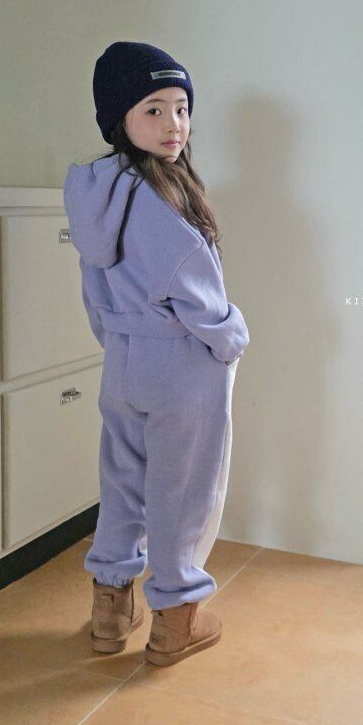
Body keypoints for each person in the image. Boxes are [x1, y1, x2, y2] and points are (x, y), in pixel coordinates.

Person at [63, 41, 249, 667]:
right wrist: (231, 337)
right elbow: (198, 296)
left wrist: (121, 340)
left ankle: (110, 611)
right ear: (120, 117)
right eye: (154, 109)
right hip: (182, 365)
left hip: (123, 362)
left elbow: (94, 291)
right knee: (182, 491)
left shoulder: (98, 193)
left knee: (122, 482)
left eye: (181, 108)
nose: (174, 124)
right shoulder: (158, 199)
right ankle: (175, 621)